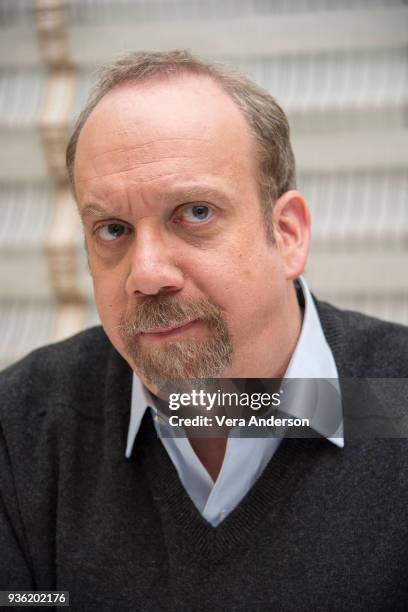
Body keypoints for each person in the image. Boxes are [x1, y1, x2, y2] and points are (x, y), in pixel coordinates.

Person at [0, 50, 407, 610]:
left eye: (194, 213)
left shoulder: (396, 404)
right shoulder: (24, 430)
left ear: (286, 234)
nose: (146, 274)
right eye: (112, 229)